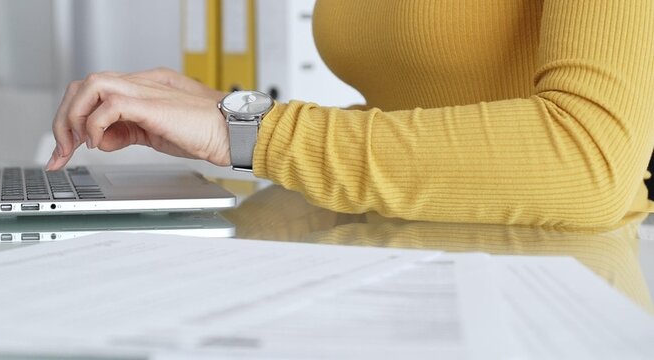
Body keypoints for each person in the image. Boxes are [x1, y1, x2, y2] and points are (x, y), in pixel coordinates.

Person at [46, 0, 654, 230]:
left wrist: (259, 133)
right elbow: (426, 111)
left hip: (557, 285)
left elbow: (590, 158)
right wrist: (227, 115)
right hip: (413, 257)